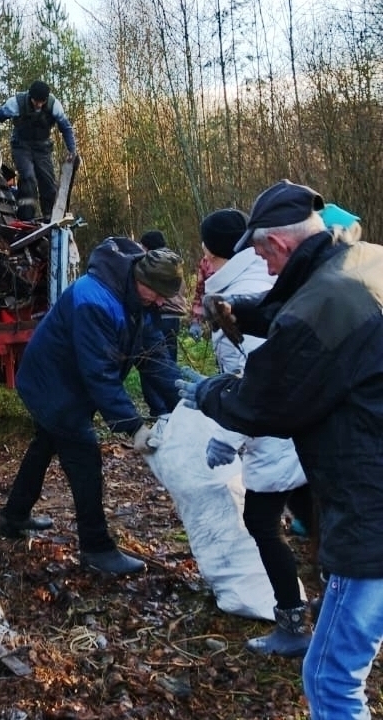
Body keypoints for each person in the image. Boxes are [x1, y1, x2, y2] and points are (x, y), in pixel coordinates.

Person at [176, 180, 383, 719]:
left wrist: (203, 392)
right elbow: (303, 306)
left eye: (263, 254)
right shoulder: (364, 262)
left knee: (330, 679)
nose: (263, 265)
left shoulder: (322, 308)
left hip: (373, 509)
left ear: (280, 245)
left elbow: (259, 405)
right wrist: (244, 313)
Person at [0, 238, 183, 575]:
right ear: (138, 278)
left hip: (69, 381)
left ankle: (13, 517)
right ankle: (96, 548)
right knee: (84, 457)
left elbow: (153, 356)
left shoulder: (138, 298)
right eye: (154, 293)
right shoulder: (94, 300)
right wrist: (133, 425)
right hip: (51, 383)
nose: (157, 301)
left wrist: (182, 401)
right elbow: (99, 372)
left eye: (162, 297)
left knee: (45, 444)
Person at [198, 207, 311, 657]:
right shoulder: (259, 283)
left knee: (261, 523)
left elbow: (258, 381)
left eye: (204, 250)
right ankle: (331, 592)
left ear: (215, 251)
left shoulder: (241, 297)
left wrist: (225, 436)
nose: (201, 260)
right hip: (299, 425)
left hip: (273, 431)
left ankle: (292, 622)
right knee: (311, 507)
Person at [0, 80, 77, 221]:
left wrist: (72, 150)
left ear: (46, 99)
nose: (39, 105)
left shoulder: (54, 105)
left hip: (42, 148)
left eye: (42, 102)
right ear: (30, 97)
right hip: (21, 146)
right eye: (36, 101)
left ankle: (50, 218)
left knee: (47, 182)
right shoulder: (17, 102)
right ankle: (26, 217)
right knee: (28, 178)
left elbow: (66, 128)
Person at [139, 230, 186, 362]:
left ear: (147, 246)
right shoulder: (175, 260)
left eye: (142, 246)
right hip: (175, 314)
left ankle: (166, 381)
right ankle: (173, 381)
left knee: (156, 357)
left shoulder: (154, 262)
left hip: (161, 313)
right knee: (170, 355)